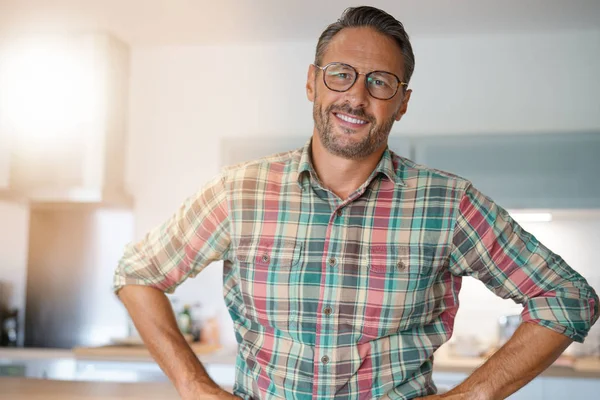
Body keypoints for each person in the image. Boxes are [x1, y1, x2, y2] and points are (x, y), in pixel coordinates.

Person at [113, 6, 598, 400]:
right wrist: (193, 385)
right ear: (312, 83)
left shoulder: (450, 204)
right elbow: (138, 274)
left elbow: (568, 298)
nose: (356, 96)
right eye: (340, 74)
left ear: (402, 102)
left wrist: (472, 396)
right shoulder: (237, 192)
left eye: (380, 81)